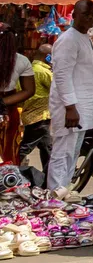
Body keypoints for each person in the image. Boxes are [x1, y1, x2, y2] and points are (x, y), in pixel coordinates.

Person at [47, 1, 93, 195]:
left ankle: (63, 194)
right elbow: (61, 74)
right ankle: (54, 197)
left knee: (73, 153)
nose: (91, 18)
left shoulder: (84, 38)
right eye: (86, 14)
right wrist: (70, 106)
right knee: (62, 153)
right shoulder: (68, 39)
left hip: (80, 108)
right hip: (70, 108)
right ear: (74, 15)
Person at [0, 24, 36, 165]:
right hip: (9, 109)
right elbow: (29, 90)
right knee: (8, 149)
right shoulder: (22, 60)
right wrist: (4, 102)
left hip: (6, 107)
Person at [19, 44, 53, 173]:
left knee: (47, 148)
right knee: (25, 148)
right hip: (39, 117)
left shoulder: (28, 69)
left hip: (30, 114)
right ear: (48, 57)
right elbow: (58, 90)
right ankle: (8, 170)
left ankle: (49, 177)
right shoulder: (43, 72)